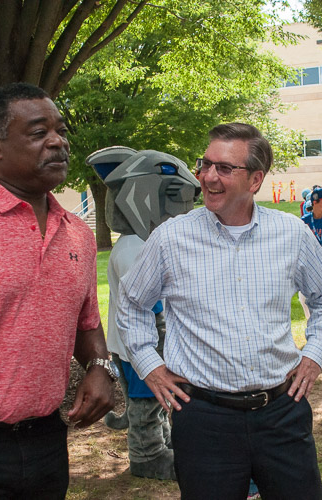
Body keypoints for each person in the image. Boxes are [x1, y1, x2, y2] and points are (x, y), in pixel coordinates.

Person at [116, 123, 322, 499]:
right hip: (204, 418)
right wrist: (150, 368)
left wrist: (313, 358)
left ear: (255, 180)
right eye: (205, 165)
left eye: (223, 168)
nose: (207, 177)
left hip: (282, 412)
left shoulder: (291, 233)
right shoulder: (172, 238)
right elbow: (131, 303)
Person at [0, 82, 115, 499]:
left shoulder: (76, 233)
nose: (58, 142)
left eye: (61, 131)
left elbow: (86, 322)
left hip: (47, 442)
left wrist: (100, 366)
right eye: (39, 132)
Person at [87, 146, 201, 480]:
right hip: (142, 349)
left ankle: (162, 445)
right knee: (146, 405)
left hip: (137, 346)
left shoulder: (139, 243)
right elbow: (152, 309)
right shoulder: (136, 248)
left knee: (157, 400)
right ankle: (147, 455)